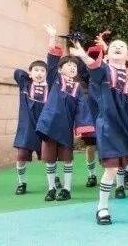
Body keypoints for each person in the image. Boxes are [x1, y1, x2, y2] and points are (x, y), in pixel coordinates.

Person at [71, 38, 128, 225]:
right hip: (107, 123)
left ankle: (122, 185)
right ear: (107, 53)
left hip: (126, 123)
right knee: (111, 168)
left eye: (122, 46)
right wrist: (82, 54)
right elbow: (94, 67)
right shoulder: (103, 70)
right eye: (114, 46)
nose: (118, 47)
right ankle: (102, 207)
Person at [36, 25, 85, 202]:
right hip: (49, 126)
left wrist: (81, 128)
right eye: (69, 65)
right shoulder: (54, 79)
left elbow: (81, 109)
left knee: (67, 159)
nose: (72, 67)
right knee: (50, 160)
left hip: (66, 128)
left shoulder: (79, 88)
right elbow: (51, 61)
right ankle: (51, 189)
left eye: (75, 66)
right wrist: (53, 37)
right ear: (60, 69)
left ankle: (66, 189)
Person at [12, 58, 49, 195]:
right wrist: (29, 77)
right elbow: (17, 72)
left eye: (42, 70)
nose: (39, 73)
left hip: (44, 128)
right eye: (36, 70)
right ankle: (21, 183)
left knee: (48, 157)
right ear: (30, 73)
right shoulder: (25, 85)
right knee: (21, 156)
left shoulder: (51, 88)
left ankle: (54, 178)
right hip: (27, 128)